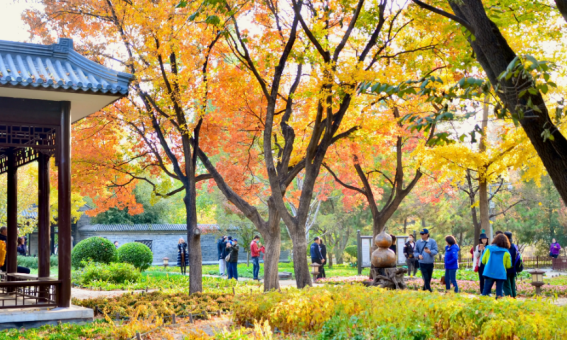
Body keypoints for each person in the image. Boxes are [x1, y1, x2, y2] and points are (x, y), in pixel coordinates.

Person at [481, 233, 512, 298]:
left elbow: (483, 261)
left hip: (489, 272)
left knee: (485, 292)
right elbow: (509, 265)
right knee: (499, 293)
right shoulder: (506, 252)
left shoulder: (488, 249)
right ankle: (498, 306)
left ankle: (483, 305)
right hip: (501, 273)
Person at [503, 231, 518, 298]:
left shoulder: (505, 247)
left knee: (506, 285)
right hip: (513, 268)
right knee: (512, 283)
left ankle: (509, 298)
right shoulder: (514, 246)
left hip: (506, 268)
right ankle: (514, 297)